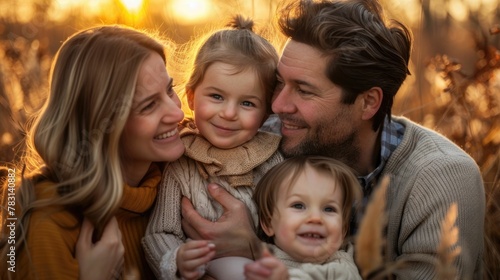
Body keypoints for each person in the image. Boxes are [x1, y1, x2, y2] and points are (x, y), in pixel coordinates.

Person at [180, 0, 486, 279]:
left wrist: (253, 248)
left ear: (368, 103)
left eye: (304, 90)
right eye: (280, 83)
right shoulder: (270, 140)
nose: (278, 106)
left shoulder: (441, 177)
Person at [0, 25, 186, 279]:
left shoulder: (183, 179)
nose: (178, 113)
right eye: (149, 105)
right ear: (102, 123)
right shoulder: (48, 226)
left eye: (169, 89)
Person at [141, 15, 283, 280]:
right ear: (192, 97)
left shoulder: (272, 163)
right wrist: (176, 260)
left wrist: (262, 250)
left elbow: (290, 232)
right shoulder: (181, 162)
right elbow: (160, 232)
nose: (229, 113)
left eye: (247, 103)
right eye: (216, 96)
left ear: (266, 113)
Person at [245, 156, 362, 280]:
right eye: (298, 206)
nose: (316, 218)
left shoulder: (340, 269)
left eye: (329, 209)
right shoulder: (255, 255)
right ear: (269, 223)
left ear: (343, 230)